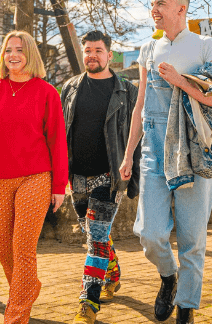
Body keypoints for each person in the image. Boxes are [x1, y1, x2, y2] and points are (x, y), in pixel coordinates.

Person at [120, 0, 212, 324]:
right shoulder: (148, 49)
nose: (154, 10)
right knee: (149, 234)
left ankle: (186, 307)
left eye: (161, 4)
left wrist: (180, 81)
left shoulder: (205, 46)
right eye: (153, 4)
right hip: (153, 151)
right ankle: (169, 278)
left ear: (181, 9)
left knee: (192, 239)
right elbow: (140, 106)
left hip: (193, 152)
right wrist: (128, 154)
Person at [0, 31, 68, 324]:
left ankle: (16, 315)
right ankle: (28, 286)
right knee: (2, 246)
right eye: (8, 50)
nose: (13, 55)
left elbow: (57, 141)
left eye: (19, 50)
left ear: (30, 54)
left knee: (22, 248)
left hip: (36, 177)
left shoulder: (46, 92)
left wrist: (59, 185)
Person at [60, 30, 141, 324]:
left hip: (109, 176)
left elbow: (138, 135)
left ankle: (88, 302)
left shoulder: (127, 91)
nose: (92, 55)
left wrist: (134, 174)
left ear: (109, 54)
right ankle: (113, 274)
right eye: (88, 50)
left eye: (98, 50)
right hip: (76, 177)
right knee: (96, 235)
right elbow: (60, 131)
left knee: (95, 239)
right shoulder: (70, 88)